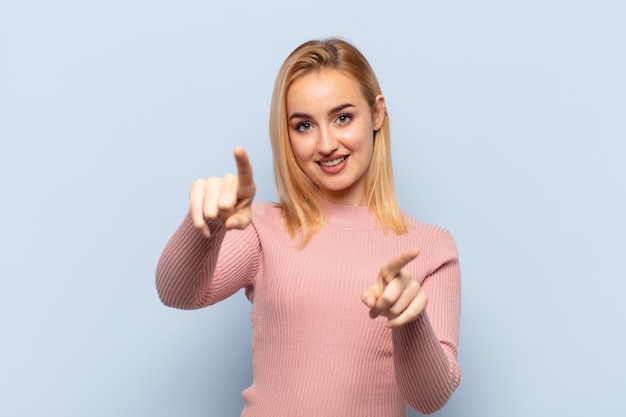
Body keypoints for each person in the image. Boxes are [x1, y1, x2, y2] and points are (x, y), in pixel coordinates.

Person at [156, 37, 461, 417]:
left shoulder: (430, 247)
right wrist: (204, 226)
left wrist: (410, 321)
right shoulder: (264, 228)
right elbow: (178, 294)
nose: (326, 144)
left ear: (377, 113)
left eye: (343, 118)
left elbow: (429, 399)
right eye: (304, 126)